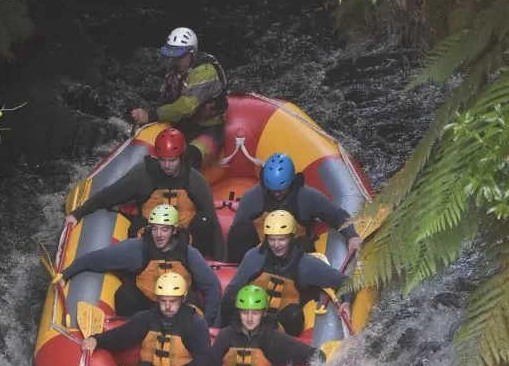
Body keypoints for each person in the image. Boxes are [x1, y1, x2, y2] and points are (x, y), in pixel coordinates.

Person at [62, 127, 224, 260]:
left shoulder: (196, 180)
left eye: (172, 160)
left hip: (185, 240)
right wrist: (77, 214)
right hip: (153, 238)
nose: (167, 166)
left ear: (181, 157)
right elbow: (108, 196)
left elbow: (213, 225)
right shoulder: (143, 175)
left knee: (204, 222)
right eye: (163, 160)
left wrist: (219, 263)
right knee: (137, 229)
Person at [56, 204, 221, 324]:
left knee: (192, 301)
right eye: (155, 229)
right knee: (125, 296)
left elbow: (212, 287)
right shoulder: (136, 248)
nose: (158, 235)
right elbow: (93, 259)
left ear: (174, 230)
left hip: (178, 306)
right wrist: (66, 275)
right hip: (147, 304)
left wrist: (208, 323)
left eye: (164, 229)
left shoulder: (190, 254)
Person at [220, 210, 351, 337]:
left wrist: (347, 303)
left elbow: (345, 282)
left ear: (291, 237)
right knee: (230, 298)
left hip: (282, 325)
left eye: (281, 239)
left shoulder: (305, 263)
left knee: (293, 315)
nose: (276, 245)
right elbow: (233, 290)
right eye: (272, 239)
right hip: (251, 316)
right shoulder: (253, 257)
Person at [81, 272, 211, 366]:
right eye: (163, 301)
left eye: (172, 301)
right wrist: (96, 340)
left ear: (182, 299)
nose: (167, 307)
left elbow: (204, 360)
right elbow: (120, 337)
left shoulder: (196, 324)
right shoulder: (147, 318)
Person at [226, 152, 363, 264]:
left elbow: (337, 215)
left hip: (291, 253)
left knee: (305, 244)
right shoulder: (252, 197)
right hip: (259, 251)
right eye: (272, 190)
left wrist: (351, 236)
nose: (277, 194)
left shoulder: (308, 197)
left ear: (291, 182)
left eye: (281, 190)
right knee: (240, 229)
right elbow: (237, 232)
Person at [197, 285, 323, 366]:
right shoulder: (225, 335)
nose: (250, 318)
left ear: (263, 313)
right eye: (245, 313)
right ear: (239, 313)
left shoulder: (273, 338)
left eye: (255, 313)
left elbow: (313, 355)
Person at [130, 27, 227, 170]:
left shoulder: (205, 72)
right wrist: (146, 120)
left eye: (181, 56)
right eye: (173, 56)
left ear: (192, 53)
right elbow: (165, 98)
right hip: (183, 126)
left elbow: (185, 108)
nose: (176, 61)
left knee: (188, 159)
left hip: (208, 129)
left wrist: (150, 115)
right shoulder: (175, 68)